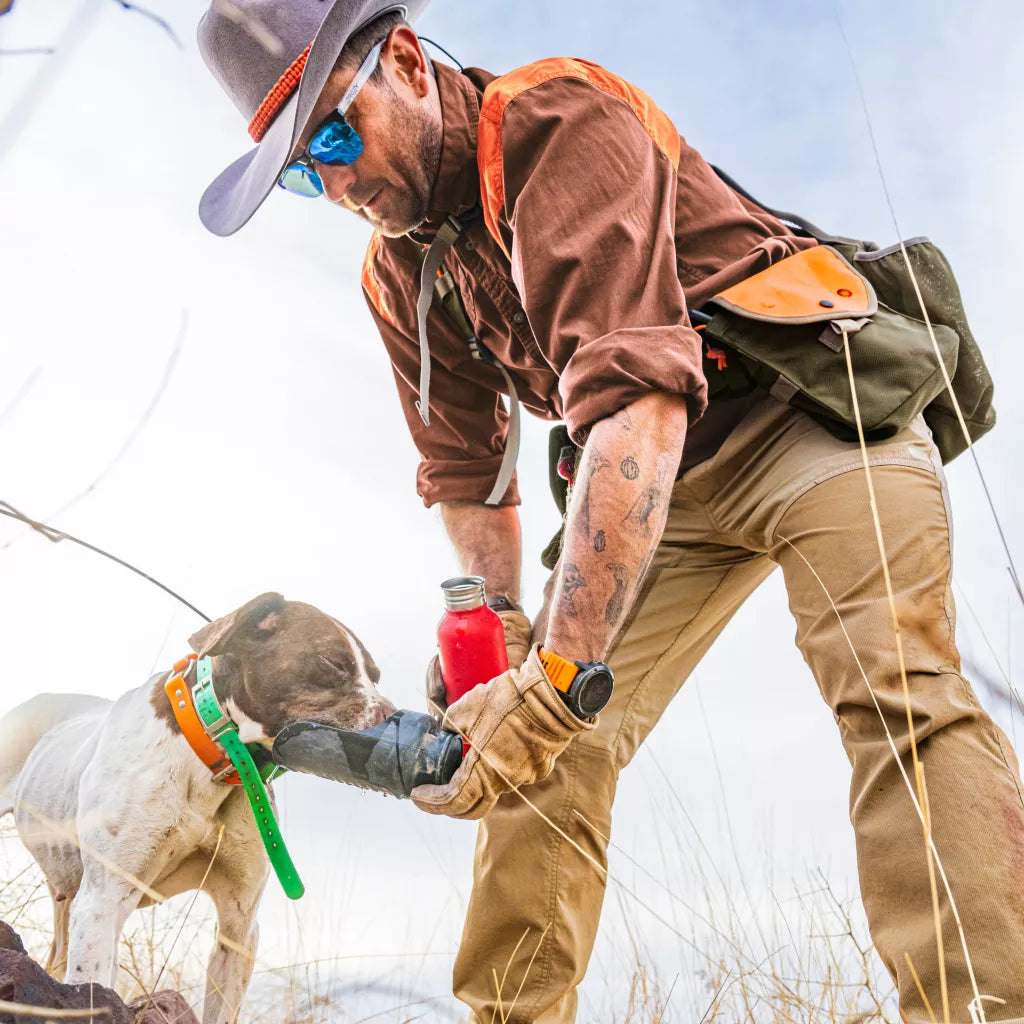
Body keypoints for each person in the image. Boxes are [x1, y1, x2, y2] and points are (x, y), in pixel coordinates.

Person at [196, 2, 1024, 1020]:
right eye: (297, 172)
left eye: (331, 133)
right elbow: (467, 473)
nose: (332, 182)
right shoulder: (397, 269)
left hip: (809, 409)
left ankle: (978, 1007)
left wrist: (546, 685)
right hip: (658, 492)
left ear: (405, 59)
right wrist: (498, 635)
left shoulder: (555, 120)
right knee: (544, 747)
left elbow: (636, 400)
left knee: (892, 686)